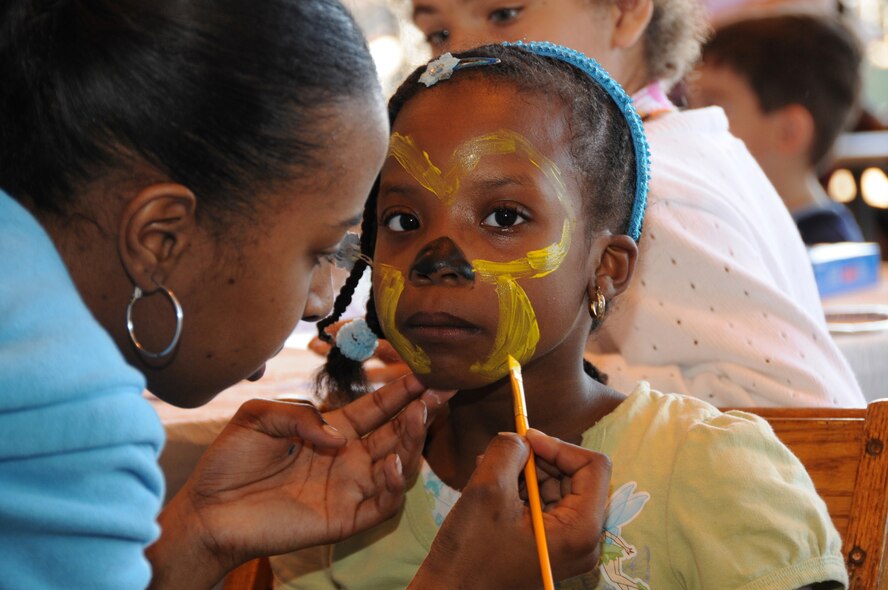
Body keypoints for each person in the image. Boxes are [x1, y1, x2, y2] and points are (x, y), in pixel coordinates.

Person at [0, 2, 612, 588]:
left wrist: (203, 532)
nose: (324, 300)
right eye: (320, 251)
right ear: (160, 239)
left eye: (504, 217)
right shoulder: (56, 415)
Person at [274, 43, 846, 589]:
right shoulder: (340, 489)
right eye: (402, 220)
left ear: (607, 268)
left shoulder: (715, 476)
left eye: (503, 216)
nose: (437, 260)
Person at [402, 0, 865, 407]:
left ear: (624, 11)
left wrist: (507, 380)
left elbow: (808, 406)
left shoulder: (646, 188)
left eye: (504, 13)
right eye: (438, 33)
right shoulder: (682, 144)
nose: (460, 51)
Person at [688, 13, 865, 245]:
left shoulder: (828, 255)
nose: (691, 120)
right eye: (688, 105)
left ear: (789, 132)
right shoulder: (744, 225)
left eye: (714, 106)